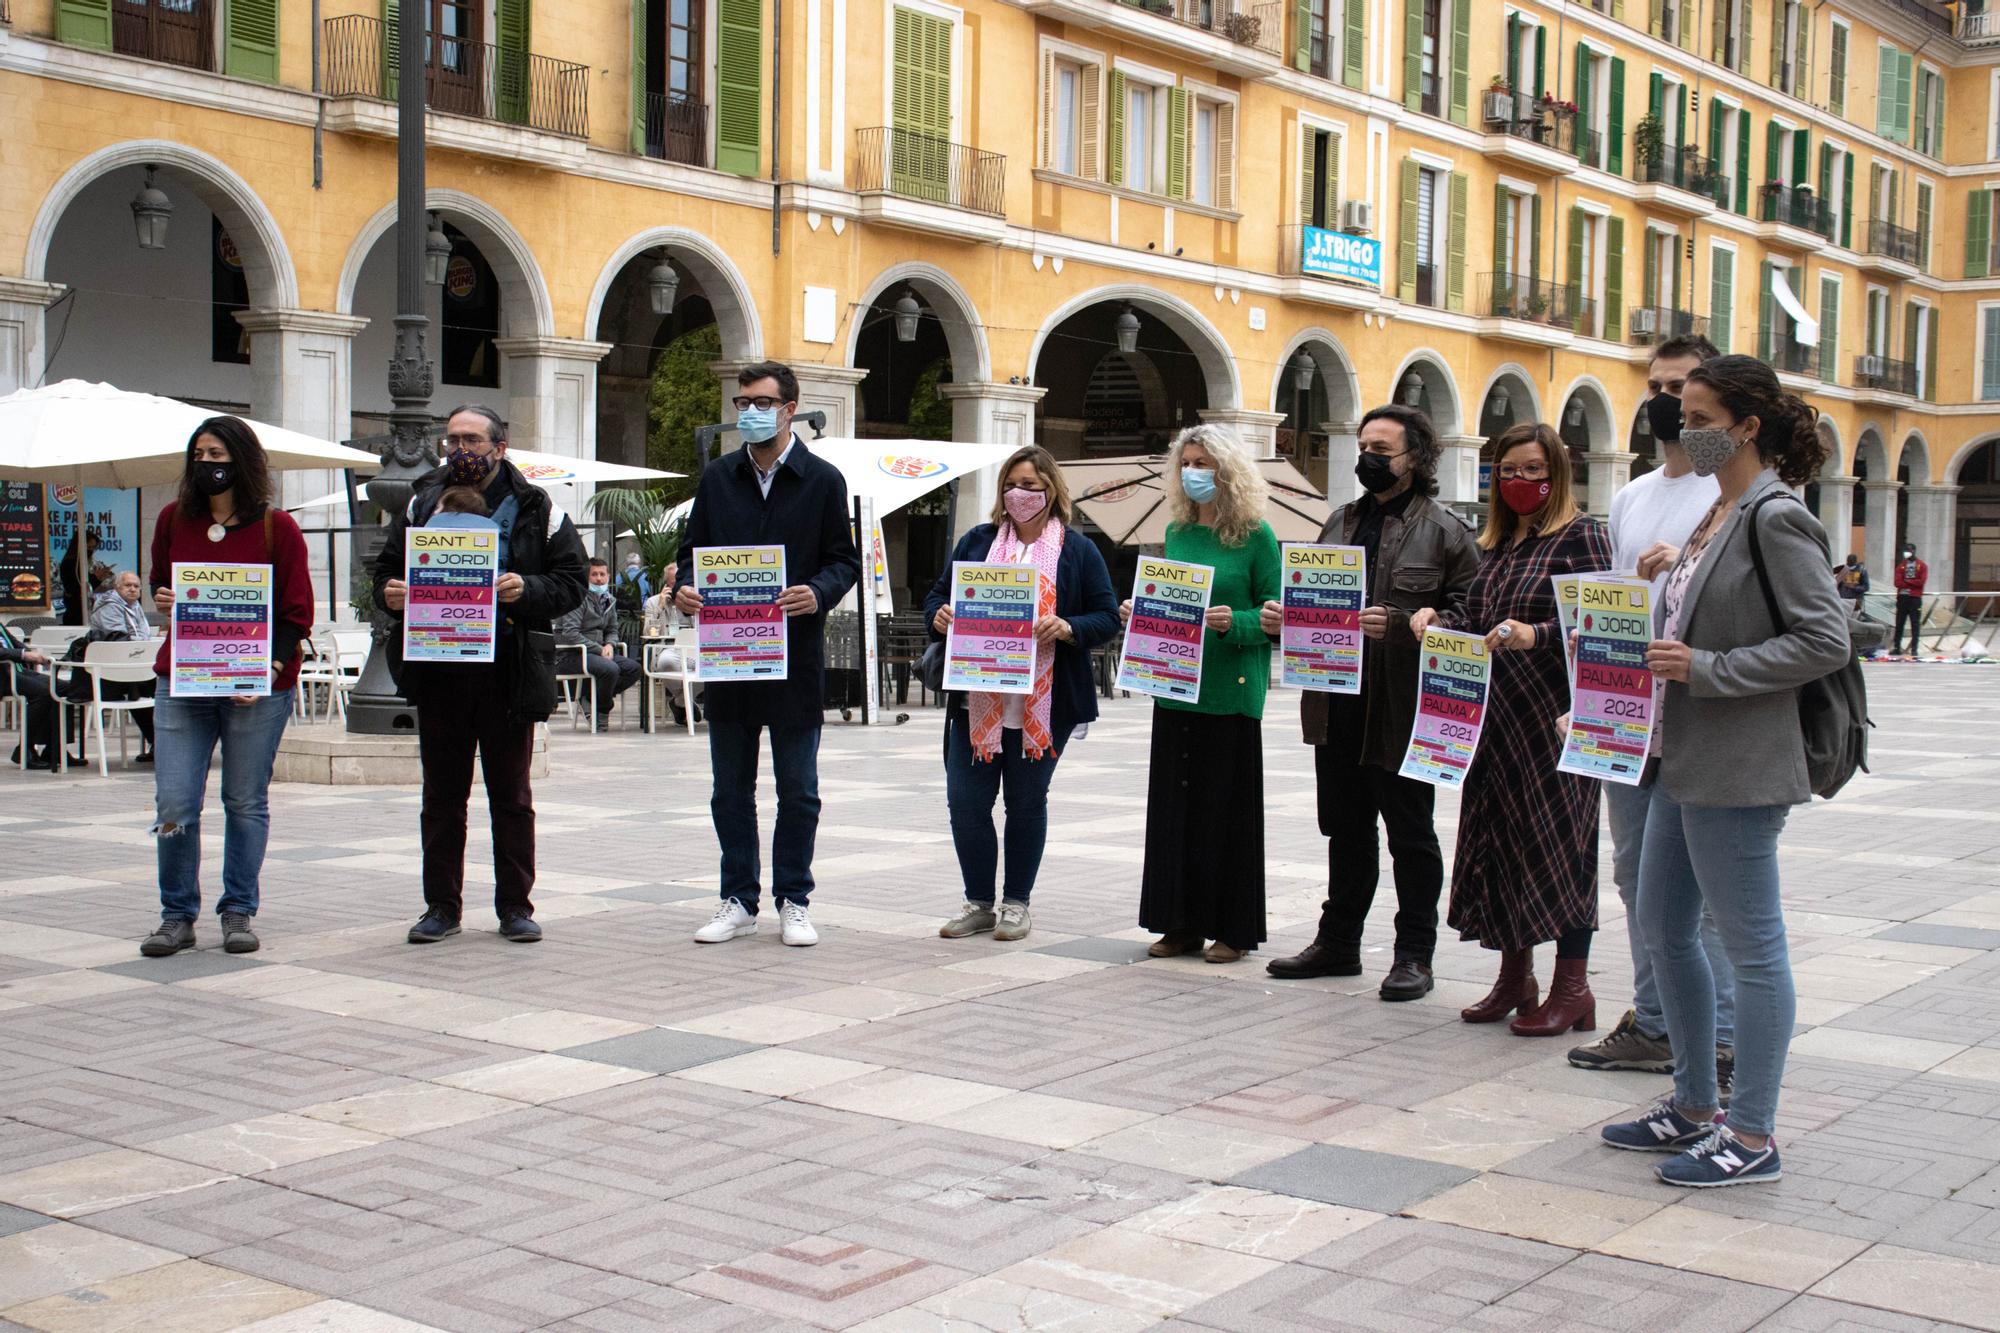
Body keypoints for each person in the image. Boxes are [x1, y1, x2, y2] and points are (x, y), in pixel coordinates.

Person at [1599, 354, 1851, 1187]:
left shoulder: (1776, 515)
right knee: (1665, 929)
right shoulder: (1718, 509)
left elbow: (1824, 639)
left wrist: (1707, 667)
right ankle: (1693, 1103)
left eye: (1699, 410)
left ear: (1746, 426)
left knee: (1752, 947)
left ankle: (1752, 1133)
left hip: (1741, 767)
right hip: (1680, 755)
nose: (1680, 421)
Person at [1259, 405, 1478, 999]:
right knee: (1345, 830)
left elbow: (1472, 618)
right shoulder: (1339, 521)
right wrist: (1287, 618)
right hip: (1336, 703)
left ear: (1416, 458)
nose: (1368, 458)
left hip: (1403, 707)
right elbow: (1312, 602)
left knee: (1411, 835)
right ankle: (1339, 942)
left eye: (1382, 449)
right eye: (1363, 446)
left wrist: (1409, 623)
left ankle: (1414, 954)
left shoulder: (1448, 531)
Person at [1568, 336, 1737, 1102]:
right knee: (1638, 876)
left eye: (1680, 388)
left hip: (1700, 715)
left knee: (1704, 887)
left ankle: (1723, 1036)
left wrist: (1689, 566)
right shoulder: (1633, 495)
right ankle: (1657, 1022)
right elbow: (1616, 597)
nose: (1664, 401)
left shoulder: (1729, 491)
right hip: (1626, 715)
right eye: (1656, 385)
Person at [1411, 422, 1611, 1034]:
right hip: (1493, 725)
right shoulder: (1496, 543)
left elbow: (1604, 627)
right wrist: (1436, 619)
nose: (1519, 482)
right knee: (1500, 848)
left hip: (1553, 725)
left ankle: (1571, 988)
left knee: (1563, 851)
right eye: (1508, 471)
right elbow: (1475, 613)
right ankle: (1514, 978)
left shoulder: (1584, 538)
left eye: (1531, 470)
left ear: (1557, 473)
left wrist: (1538, 635)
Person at [377, 405, 588, 947]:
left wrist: (528, 589)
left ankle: (516, 907)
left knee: (511, 795)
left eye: (471, 439)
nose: (460, 449)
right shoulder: (421, 501)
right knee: (441, 797)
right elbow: (385, 570)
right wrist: (391, 594)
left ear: (500, 445)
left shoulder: (538, 506)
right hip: (439, 667)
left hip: (507, 671)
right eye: (451, 440)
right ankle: (440, 908)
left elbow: (572, 579)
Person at [674, 362, 861, 947]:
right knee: (730, 787)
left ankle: (794, 899)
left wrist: (820, 590)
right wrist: (684, 586)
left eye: (760, 401)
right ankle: (738, 898)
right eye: (741, 401)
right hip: (730, 658)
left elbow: (844, 561)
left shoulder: (823, 480)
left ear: (789, 408)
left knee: (798, 788)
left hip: (794, 659)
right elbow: (690, 553)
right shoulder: (717, 479)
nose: (748, 411)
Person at [924, 445, 1118, 942]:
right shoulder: (977, 541)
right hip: (977, 703)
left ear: (1052, 491)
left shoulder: (1077, 550)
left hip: (1043, 707)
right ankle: (977, 902)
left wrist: (1068, 626)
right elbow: (939, 595)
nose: (1021, 494)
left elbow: (1105, 615)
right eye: (1013, 484)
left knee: (1027, 805)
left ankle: (1016, 903)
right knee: (965, 805)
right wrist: (939, 616)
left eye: (1032, 485)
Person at [141, 416, 315, 958]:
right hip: (184, 680)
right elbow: (158, 585)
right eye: (199, 454)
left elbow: (296, 612)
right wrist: (166, 601)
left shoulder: (275, 526)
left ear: (241, 459)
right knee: (174, 802)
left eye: (217, 453)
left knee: (244, 801)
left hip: (256, 687)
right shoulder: (173, 519)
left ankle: (238, 910)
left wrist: (265, 669)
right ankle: (176, 916)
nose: (207, 463)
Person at [1122, 424, 1281, 964]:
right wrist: (1139, 615)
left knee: (1226, 813)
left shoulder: (1257, 535)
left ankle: (1231, 930)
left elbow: (1278, 615)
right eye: (1187, 462)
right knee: (1176, 812)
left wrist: (1233, 622)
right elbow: (1168, 604)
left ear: (1229, 472)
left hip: (1231, 693)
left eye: (1205, 463)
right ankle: (1179, 924)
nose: (1194, 472)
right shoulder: (1177, 533)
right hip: (1175, 692)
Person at [66, 569, 158, 761]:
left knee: (156, 686)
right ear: (116, 587)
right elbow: (118, 639)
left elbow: (141, 637)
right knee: (152, 687)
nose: (132, 589)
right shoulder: (109, 605)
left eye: (136, 586)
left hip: (126, 671)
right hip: (104, 677)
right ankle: (160, 743)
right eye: (127, 585)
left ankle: (159, 743)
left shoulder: (133, 606)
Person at [555, 557, 642, 731]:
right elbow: (571, 633)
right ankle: (603, 707)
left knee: (634, 669)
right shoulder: (577, 599)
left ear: (609, 576)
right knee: (610, 669)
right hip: (572, 654)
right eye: (594, 574)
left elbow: (613, 630)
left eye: (602, 574)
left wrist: (610, 645)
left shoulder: (609, 600)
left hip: (598, 653)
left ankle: (591, 699)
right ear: (586, 577)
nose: (599, 579)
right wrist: (600, 649)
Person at [0, 620, 60, 771]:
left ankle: (54, 749)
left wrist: (34, 654)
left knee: (63, 688)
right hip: (4, 676)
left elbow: (13, 642)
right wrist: (24, 655)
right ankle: (25, 749)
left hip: (17, 671)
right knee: (44, 693)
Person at [58, 527, 110, 627]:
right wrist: (95, 578)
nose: (91, 551)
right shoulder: (72, 563)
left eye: (93, 548)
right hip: (76, 614)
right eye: (89, 548)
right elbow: (77, 589)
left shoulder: (86, 563)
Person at [1892, 543, 1928, 656]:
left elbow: (1921, 582)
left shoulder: (1922, 566)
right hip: (1902, 598)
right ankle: (1897, 647)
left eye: (1909, 550)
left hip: (1915, 598)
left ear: (1914, 550)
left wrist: (1906, 582)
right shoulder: (1901, 566)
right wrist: (1912, 583)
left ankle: (1914, 649)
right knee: (1899, 623)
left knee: (1915, 623)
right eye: (1905, 550)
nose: (1907, 552)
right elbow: (1897, 583)